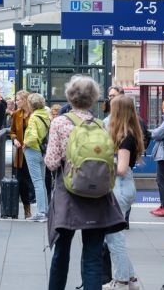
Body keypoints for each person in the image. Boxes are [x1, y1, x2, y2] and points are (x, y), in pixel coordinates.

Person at [44, 75, 126, 290]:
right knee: (92, 256)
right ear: (94, 99)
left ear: (70, 97)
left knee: (61, 253)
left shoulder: (60, 123)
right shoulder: (101, 125)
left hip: (68, 193)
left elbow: (52, 163)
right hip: (97, 196)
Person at [103, 95, 145, 290]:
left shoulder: (125, 137)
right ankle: (131, 279)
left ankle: (121, 280)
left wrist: (103, 160)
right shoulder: (129, 134)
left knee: (113, 237)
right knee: (114, 236)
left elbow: (121, 168)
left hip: (119, 186)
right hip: (124, 187)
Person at [23, 92, 51, 222]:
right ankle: (45, 210)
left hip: (33, 150)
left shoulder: (34, 117)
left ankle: (40, 212)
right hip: (42, 150)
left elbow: (33, 136)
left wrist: (25, 144)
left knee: (37, 182)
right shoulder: (46, 115)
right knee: (42, 182)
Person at [9, 89, 37, 219]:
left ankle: (40, 207)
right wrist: (14, 139)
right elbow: (12, 131)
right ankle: (27, 209)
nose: (16, 102)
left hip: (34, 151)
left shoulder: (35, 114)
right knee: (22, 180)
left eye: (18, 99)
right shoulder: (16, 114)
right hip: (21, 153)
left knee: (35, 180)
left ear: (25, 100)